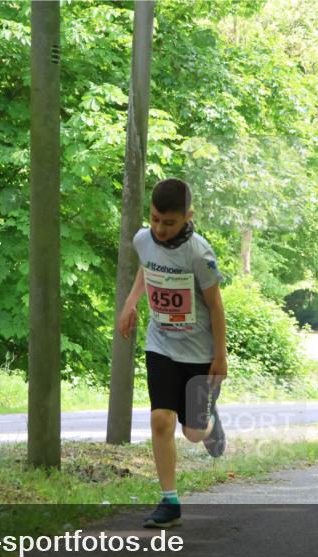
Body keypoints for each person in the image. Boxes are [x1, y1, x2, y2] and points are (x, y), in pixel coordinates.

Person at [118, 178, 227, 527]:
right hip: (161, 343)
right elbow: (147, 266)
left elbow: (215, 305)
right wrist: (131, 303)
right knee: (160, 419)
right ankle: (169, 500)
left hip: (198, 351)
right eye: (154, 220)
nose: (159, 229)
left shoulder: (199, 253)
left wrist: (220, 356)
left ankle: (211, 427)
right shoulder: (142, 239)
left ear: (187, 217)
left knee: (192, 433)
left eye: (169, 223)